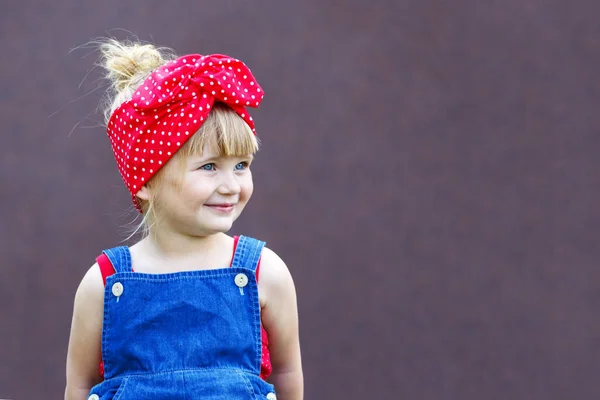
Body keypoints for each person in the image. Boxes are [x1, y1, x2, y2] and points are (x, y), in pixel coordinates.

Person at [64, 38, 303, 400]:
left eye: (241, 166)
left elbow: (287, 372)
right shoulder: (104, 284)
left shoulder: (264, 273)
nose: (231, 185)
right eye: (209, 167)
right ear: (147, 181)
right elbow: (79, 386)